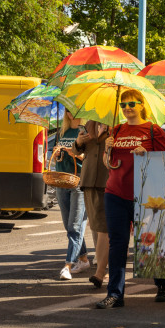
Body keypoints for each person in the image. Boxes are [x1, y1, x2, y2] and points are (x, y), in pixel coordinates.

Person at [97, 90, 165, 308]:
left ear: (141, 105)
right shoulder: (116, 129)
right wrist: (106, 149)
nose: (127, 108)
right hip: (115, 193)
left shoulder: (152, 130)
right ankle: (115, 294)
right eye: (123, 105)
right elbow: (108, 164)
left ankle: (163, 283)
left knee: (150, 242)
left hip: (145, 195)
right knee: (117, 244)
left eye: (132, 104)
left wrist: (147, 155)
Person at [53, 111, 91, 280]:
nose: (71, 113)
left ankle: (67, 265)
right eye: (68, 110)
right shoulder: (62, 132)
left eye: (74, 109)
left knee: (75, 227)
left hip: (78, 182)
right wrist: (57, 153)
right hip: (61, 181)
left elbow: (89, 158)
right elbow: (57, 160)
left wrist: (74, 152)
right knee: (68, 226)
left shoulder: (85, 131)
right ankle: (83, 259)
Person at [75, 120, 110, 289]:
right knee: (96, 225)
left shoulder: (116, 126)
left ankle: (103, 268)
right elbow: (77, 150)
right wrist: (79, 142)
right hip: (89, 179)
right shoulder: (89, 124)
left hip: (108, 179)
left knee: (104, 226)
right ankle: (102, 262)